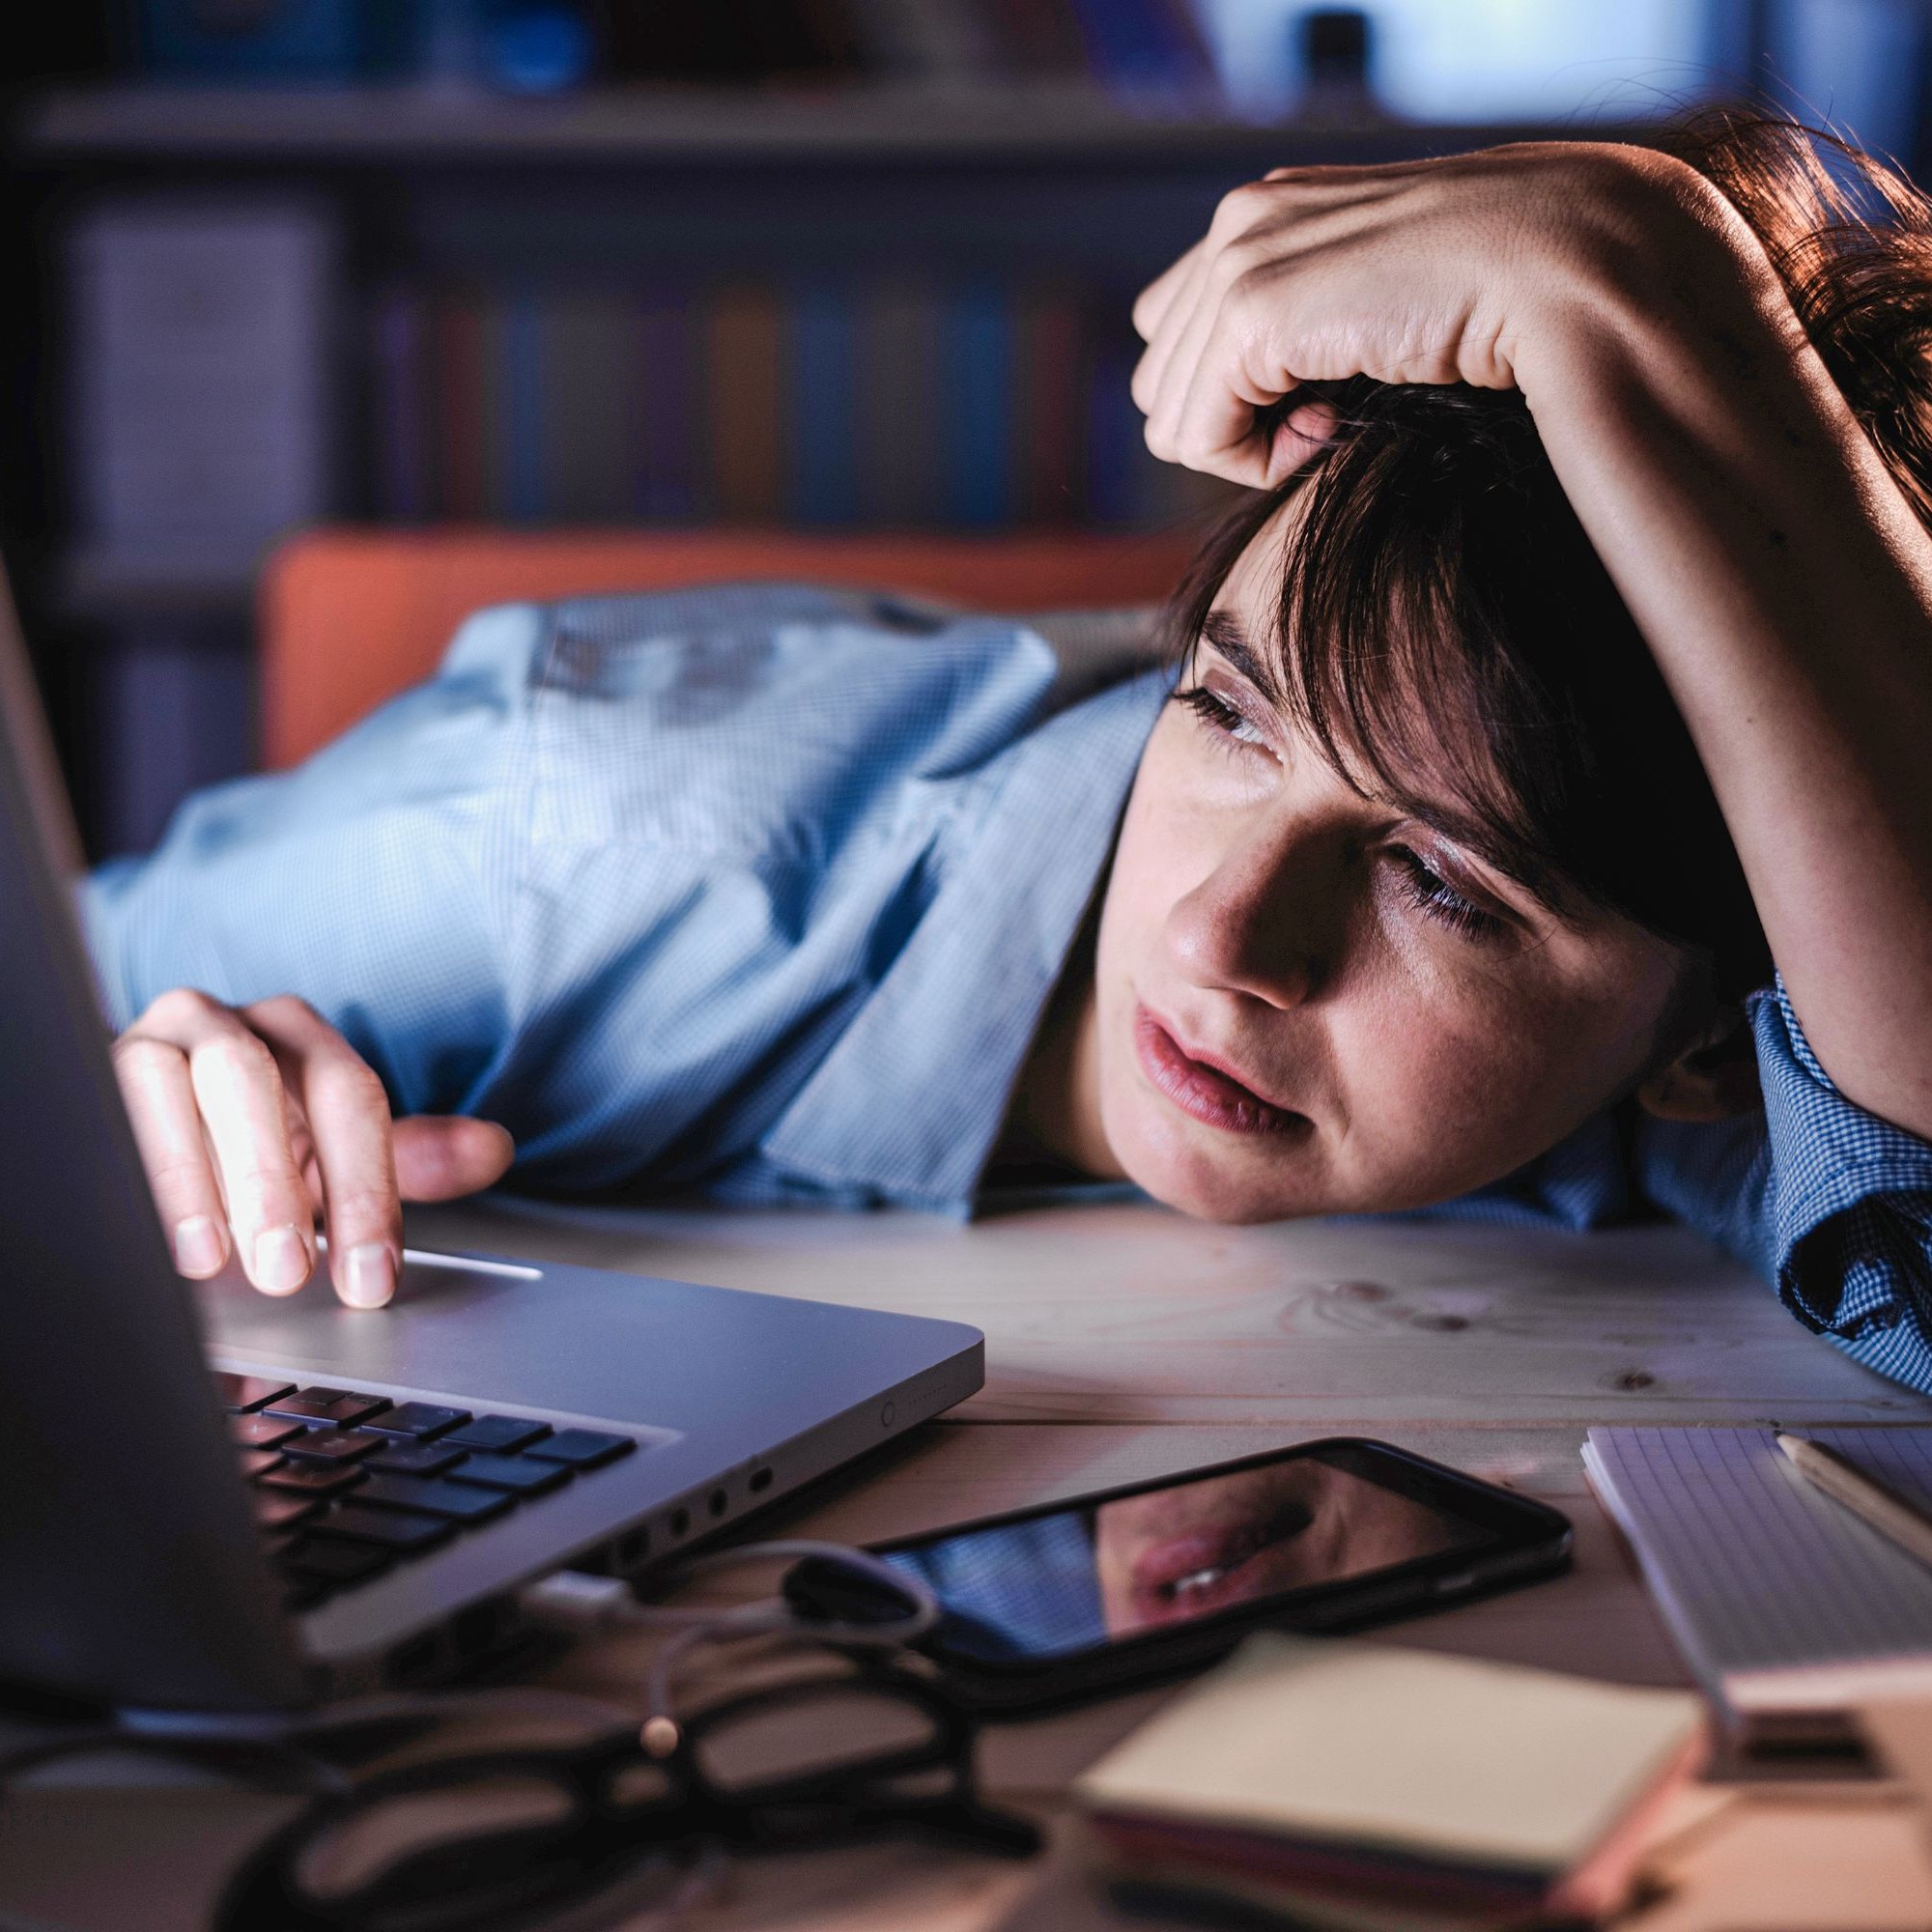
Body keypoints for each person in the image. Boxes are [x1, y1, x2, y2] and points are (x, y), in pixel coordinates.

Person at [80, 112, 1932, 1397]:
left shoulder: (1722, 1053)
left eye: (1443, 883)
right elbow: (53, 1030)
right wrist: (114, 1103)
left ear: (1706, 1034)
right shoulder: (594, 845)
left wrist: (1659, 297)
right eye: (1227, 710)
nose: (1225, 938)